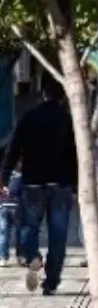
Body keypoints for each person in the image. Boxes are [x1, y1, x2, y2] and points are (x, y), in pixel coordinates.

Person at [0, 79, 77, 295]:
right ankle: (51, 282)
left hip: (33, 182)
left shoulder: (29, 118)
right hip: (60, 183)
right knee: (58, 234)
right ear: (62, 96)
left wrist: (4, 177)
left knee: (28, 228)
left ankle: (33, 257)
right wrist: (77, 183)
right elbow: (76, 155)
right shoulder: (67, 120)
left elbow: (13, 149)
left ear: (43, 94)